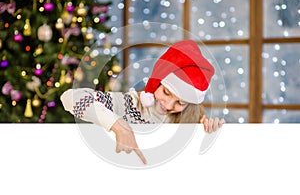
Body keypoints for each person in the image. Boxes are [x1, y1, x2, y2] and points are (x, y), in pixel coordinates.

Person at [60, 39, 225, 165]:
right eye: (166, 92)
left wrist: (209, 132)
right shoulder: (128, 104)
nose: (168, 106)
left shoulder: (191, 120)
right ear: (155, 83)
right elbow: (70, 98)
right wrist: (118, 125)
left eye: (180, 103)